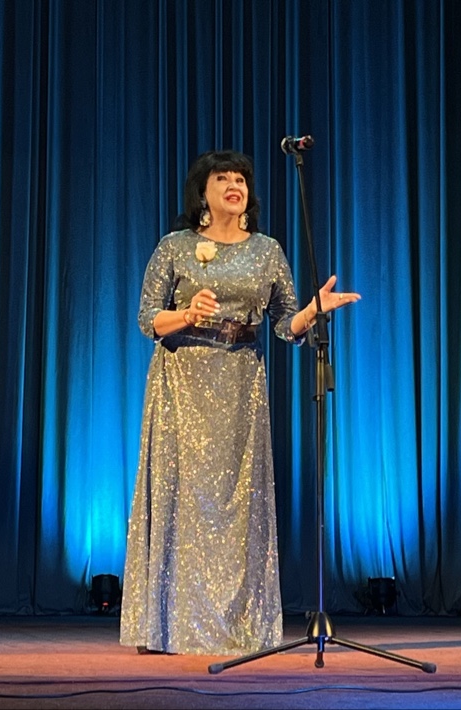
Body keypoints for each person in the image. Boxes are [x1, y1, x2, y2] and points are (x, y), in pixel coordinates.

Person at [119, 149, 360, 656]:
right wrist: (186, 315)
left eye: (241, 180)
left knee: (238, 506)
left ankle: (240, 625)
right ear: (202, 193)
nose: (234, 185)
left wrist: (314, 310)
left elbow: (285, 325)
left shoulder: (267, 251)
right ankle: (166, 626)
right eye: (222, 178)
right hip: (182, 381)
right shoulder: (175, 246)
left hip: (241, 383)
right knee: (183, 500)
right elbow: (147, 319)